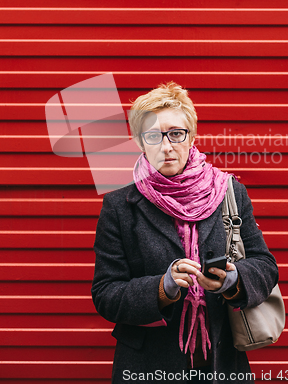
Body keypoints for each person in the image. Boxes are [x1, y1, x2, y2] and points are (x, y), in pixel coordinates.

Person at [91, 82, 278, 384]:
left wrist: (232, 280)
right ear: (140, 142)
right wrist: (162, 288)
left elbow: (265, 267)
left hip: (221, 363)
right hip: (146, 367)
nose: (166, 147)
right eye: (153, 136)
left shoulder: (229, 192)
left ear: (191, 136)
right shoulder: (120, 206)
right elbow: (105, 294)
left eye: (176, 134)